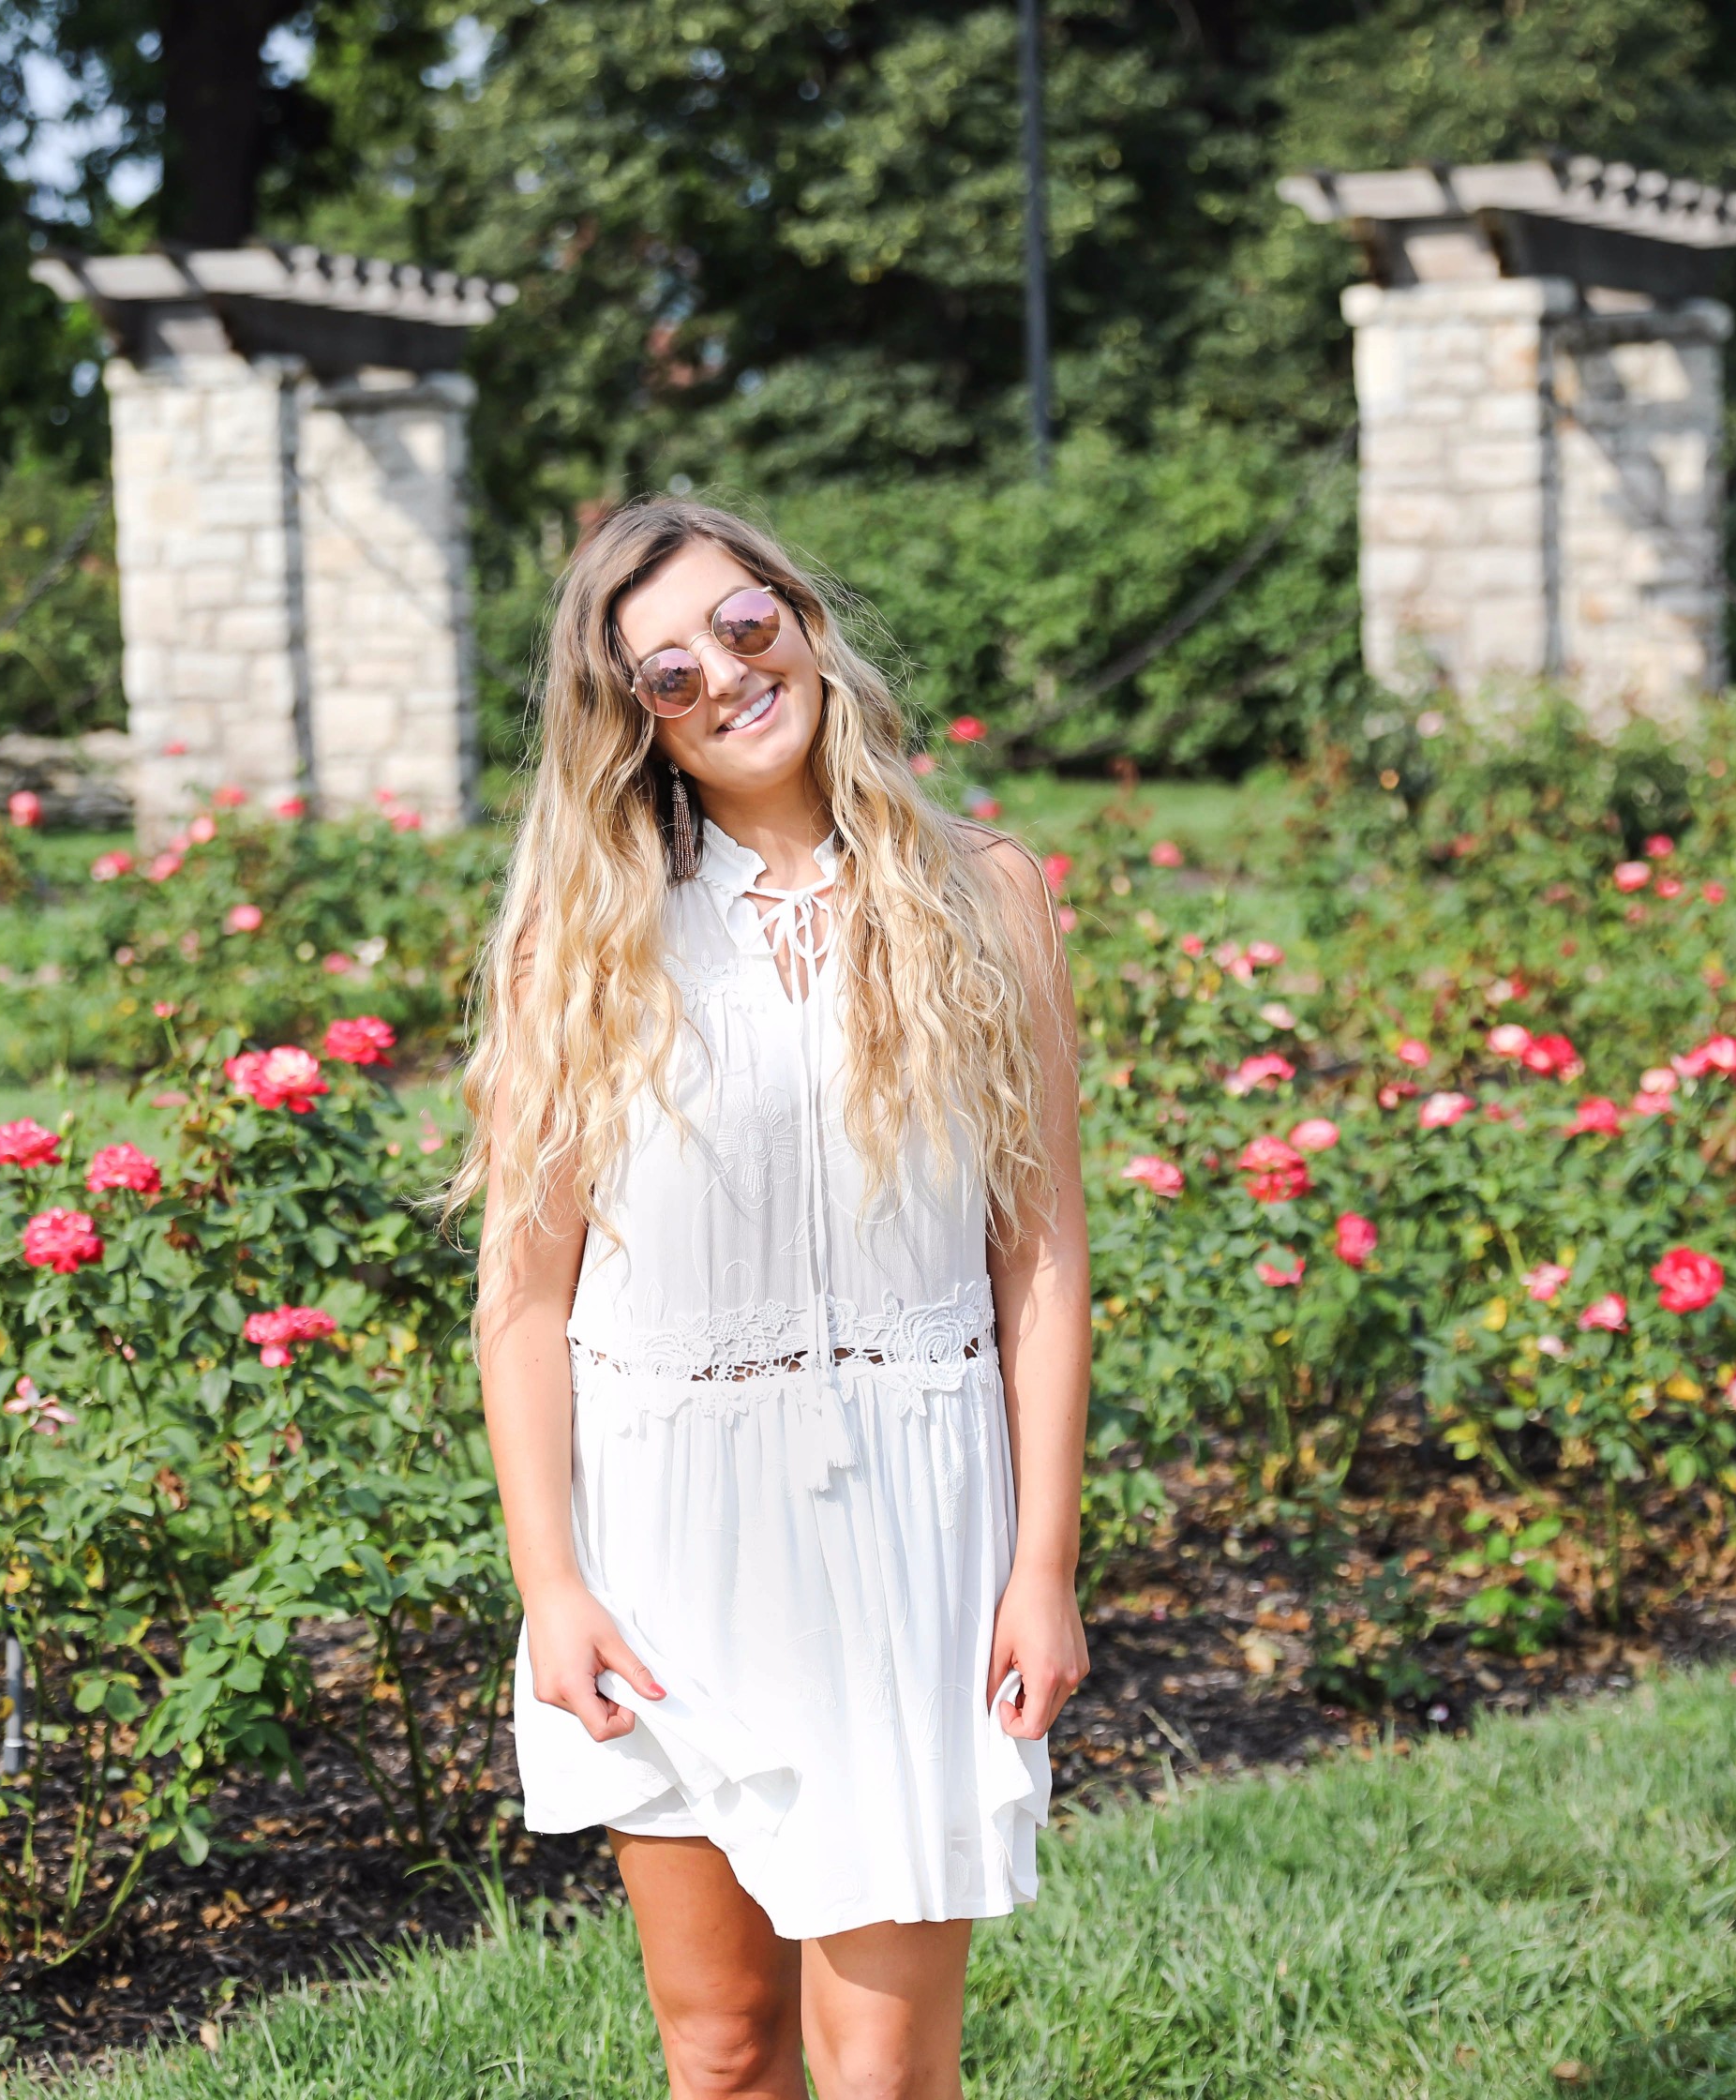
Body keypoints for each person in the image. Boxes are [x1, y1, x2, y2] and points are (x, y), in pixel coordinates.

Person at [453, 496, 1092, 2098]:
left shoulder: (985, 895)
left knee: (881, 2070)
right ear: (634, 726)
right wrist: (553, 1589)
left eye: (747, 627)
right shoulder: (582, 939)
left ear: (801, 621)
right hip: (666, 1536)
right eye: (670, 673)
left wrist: (1041, 1567)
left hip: (910, 1528)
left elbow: (1043, 1258)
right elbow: (524, 1303)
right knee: (725, 2051)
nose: (730, 678)